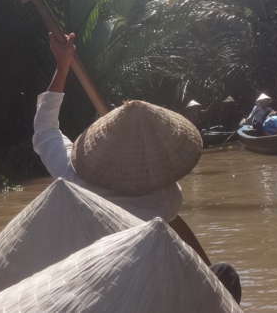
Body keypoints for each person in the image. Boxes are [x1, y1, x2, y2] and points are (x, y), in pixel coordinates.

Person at [33, 32, 241, 303]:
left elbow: (45, 128)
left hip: (102, 290)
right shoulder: (168, 195)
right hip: (150, 291)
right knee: (225, 274)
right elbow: (176, 225)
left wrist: (62, 66)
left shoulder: (75, 177)